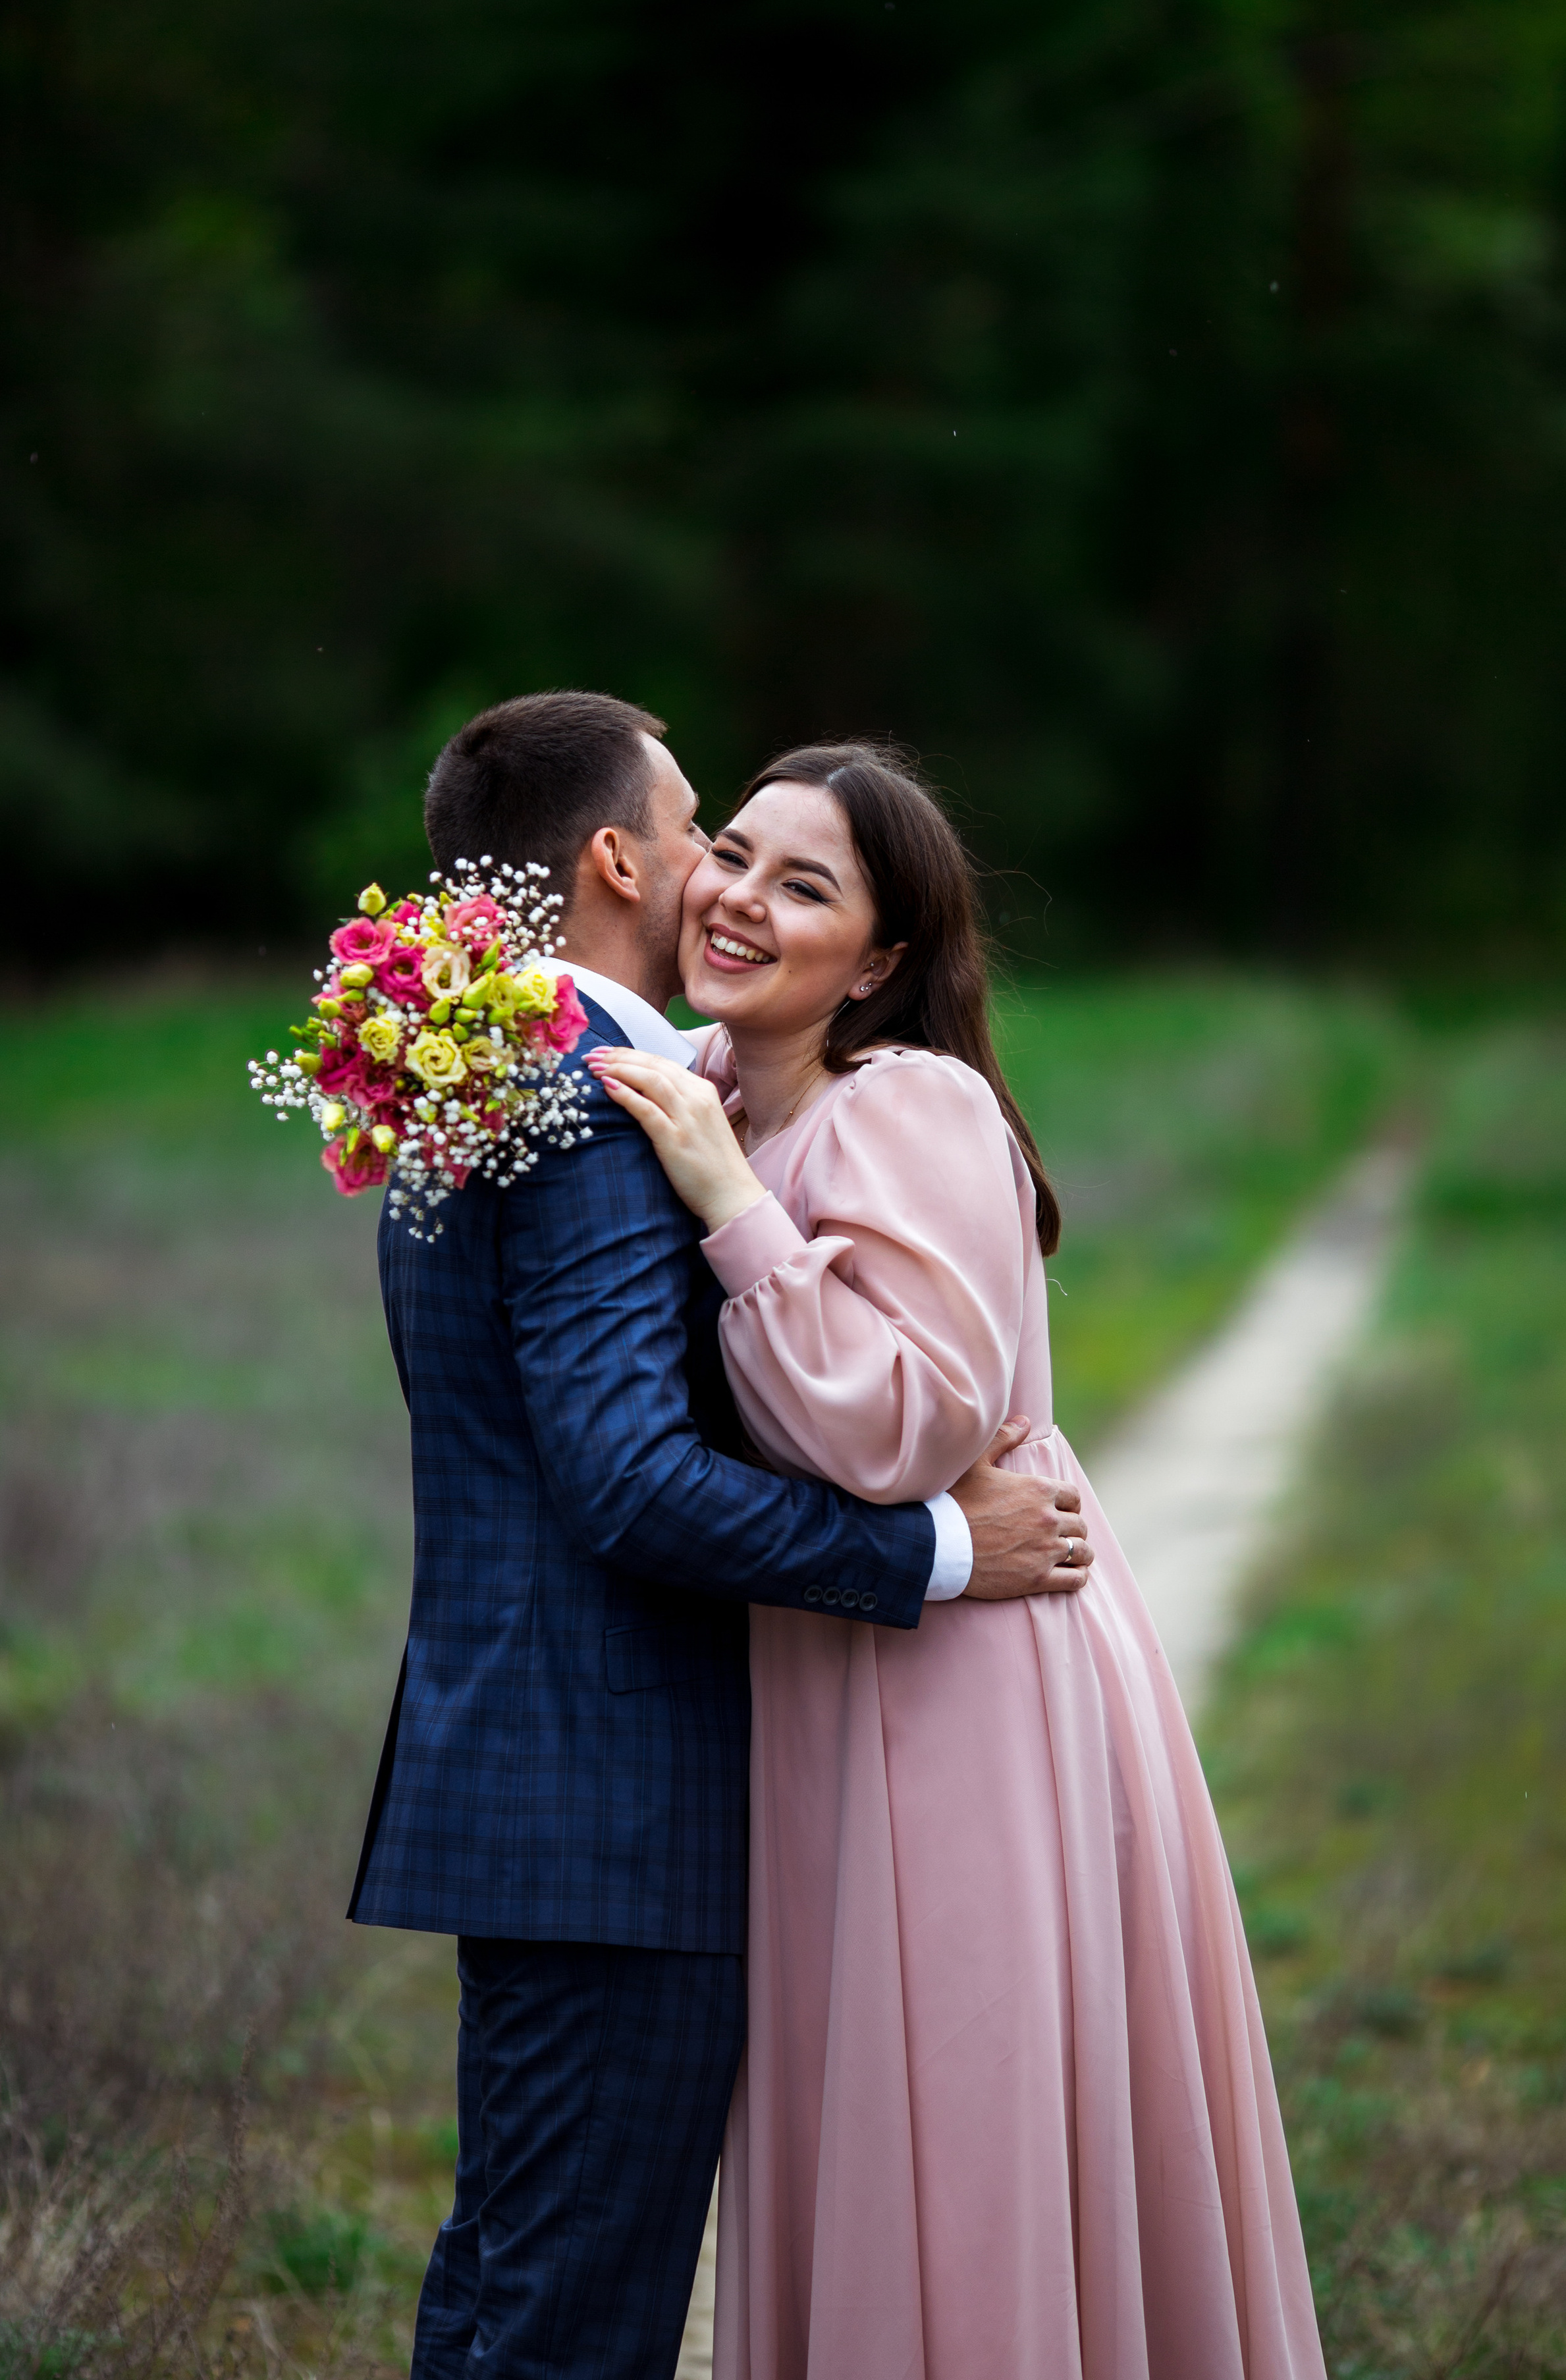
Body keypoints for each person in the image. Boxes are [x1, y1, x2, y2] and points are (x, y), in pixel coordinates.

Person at [345, 691, 1093, 2380]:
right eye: (700, 832)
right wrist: (939, 1554)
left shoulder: (489, 1064)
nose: (714, 876)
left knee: (509, 2280)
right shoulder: (595, 1105)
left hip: (531, 1771)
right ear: (617, 854)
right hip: (612, 1802)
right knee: (565, 2321)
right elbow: (623, 1480)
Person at [592, 742, 1328, 2380]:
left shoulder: (904, 1103)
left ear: (885, 960)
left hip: (955, 1688)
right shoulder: (699, 1083)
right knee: (848, 2112)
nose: (738, 899)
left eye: (808, 887)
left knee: (955, 2120)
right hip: (815, 1673)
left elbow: (900, 1427)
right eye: (735, 854)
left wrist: (731, 1207)